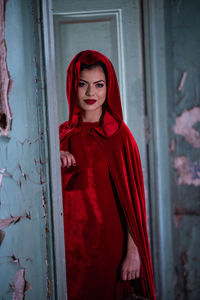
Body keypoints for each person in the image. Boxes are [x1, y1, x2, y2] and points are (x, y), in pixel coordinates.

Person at [59, 50, 155, 300]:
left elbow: (134, 203)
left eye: (99, 85)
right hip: (67, 250)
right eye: (83, 85)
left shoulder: (120, 137)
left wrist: (133, 253)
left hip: (110, 247)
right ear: (73, 86)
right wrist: (51, 158)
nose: (91, 93)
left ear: (108, 88)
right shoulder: (59, 137)